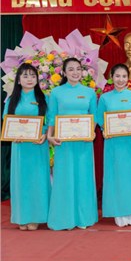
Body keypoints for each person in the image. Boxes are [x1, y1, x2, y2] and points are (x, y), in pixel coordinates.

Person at [46, 57, 98, 230]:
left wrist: (91, 133)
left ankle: (83, 218)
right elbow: (52, 116)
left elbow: (94, 116)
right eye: (71, 69)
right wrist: (50, 136)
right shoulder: (56, 92)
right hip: (63, 143)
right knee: (64, 178)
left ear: (82, 71)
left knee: (83, 177)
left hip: (83, 142)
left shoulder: (90, 92)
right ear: (64, 72)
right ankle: (64, 218)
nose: (75, 72)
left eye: (78, 69)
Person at [96, 64, 131, 226]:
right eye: (117, 76)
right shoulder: (105, 98)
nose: (120, 80)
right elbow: (100, 118)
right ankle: (120, 214)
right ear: (111, 77)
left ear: (128, 78)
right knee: (117, 176)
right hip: (113, 143)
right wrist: (105, 129)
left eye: (124, 76)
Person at [2, 63, 50, 231]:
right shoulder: (12, 100)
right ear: (18, 80)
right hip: (20, 147)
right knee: (21, 181)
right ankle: (22, 217)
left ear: (37, 79)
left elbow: (50, 120)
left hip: (38, 146)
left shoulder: (44, 98)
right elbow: (6, 120)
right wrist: (13, 134)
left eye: (32, 76)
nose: (29, 79)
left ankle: (36, 216)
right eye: (25, 76)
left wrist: (45, 134)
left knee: (37, 180)